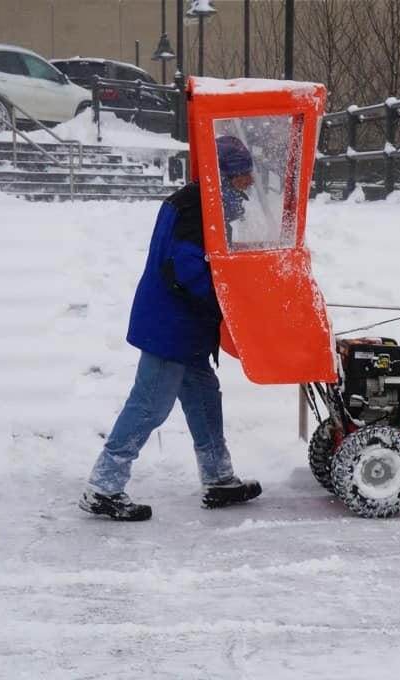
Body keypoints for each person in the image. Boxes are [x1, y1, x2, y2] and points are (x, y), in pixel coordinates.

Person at [79, 135, 261, 521]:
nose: (249, 185)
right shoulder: (198, 208)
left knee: (205, 399)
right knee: (149, 405)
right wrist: (228, 300)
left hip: (186, 326)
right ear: (224, 176)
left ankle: (218, 478)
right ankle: (104, 487)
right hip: (172, 326)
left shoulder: (203, 201)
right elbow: (188, 269)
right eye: (243, 177)